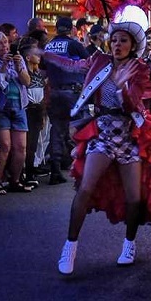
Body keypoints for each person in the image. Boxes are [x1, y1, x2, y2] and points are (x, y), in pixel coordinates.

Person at [50, 4, 151, 275]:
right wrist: (46, 54)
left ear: (132, 44)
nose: (117, 44)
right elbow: (73, 65)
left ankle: (129, 243)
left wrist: (120, 86)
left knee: (134, 198)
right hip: (102, 133)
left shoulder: (139, 69)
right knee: (85, 188)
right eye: (114, 39)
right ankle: (70, 246)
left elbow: (132, 104)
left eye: (123, 40)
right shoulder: (98, 61)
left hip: (128, 135)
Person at [42, 16, 90, 184]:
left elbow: (42, 71)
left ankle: (55, 169)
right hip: (73, 94)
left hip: (55, 93)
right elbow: (90, 63)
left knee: (56, 129)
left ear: (56, 28)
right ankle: (82, 170)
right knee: (81, 129)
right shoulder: (74, 45)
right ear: (71, 30)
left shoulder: (48, 46)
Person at [0, 31, 32, 194]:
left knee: (21, 147)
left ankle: (15, 180)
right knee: (4, 145)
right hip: (1, 106)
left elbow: (27, 81)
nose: (4, 46)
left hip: (19, 104)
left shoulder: (18, 59)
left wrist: (19, 67)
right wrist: (3, 66)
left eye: (5, 43)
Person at [21, 40, 48, 184]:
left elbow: (42, 95)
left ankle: (30, 173)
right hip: (28, 109)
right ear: (27, 57)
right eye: (35, 54)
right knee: (26, 145)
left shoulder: (38, 74)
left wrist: (43, 115)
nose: (39, 56)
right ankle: (24, 174)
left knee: (33, 144)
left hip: (38, 110)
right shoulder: (24, 75)